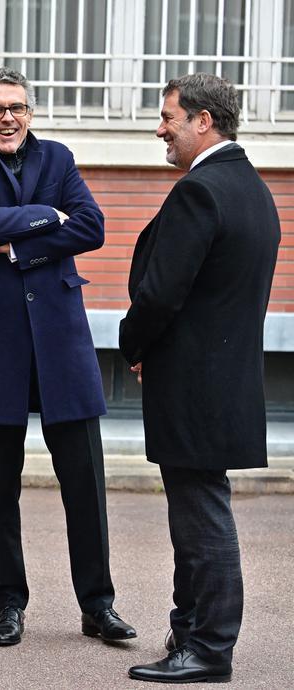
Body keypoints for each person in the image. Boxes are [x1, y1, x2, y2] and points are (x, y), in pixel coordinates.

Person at [0, 67, 136, 647]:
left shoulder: (58, 157)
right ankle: (8, 604)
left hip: (59, 340)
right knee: (0, 486)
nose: (8, 118)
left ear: (29, 113)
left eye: (17, 107)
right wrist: (52, 218)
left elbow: (93, 227)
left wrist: (18, 240)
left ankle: (98, 605)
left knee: (85, 483)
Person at [122, 74, 279, 684]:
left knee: (201, 521)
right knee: (197, 514)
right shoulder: (252, 187)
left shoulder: (201, 191)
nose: (160, 128)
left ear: (202, 122)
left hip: (193, 385)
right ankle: (188, 632)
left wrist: (132, 344)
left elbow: (162, 294)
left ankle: (208, 649)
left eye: (168, 117)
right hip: (225, 380)